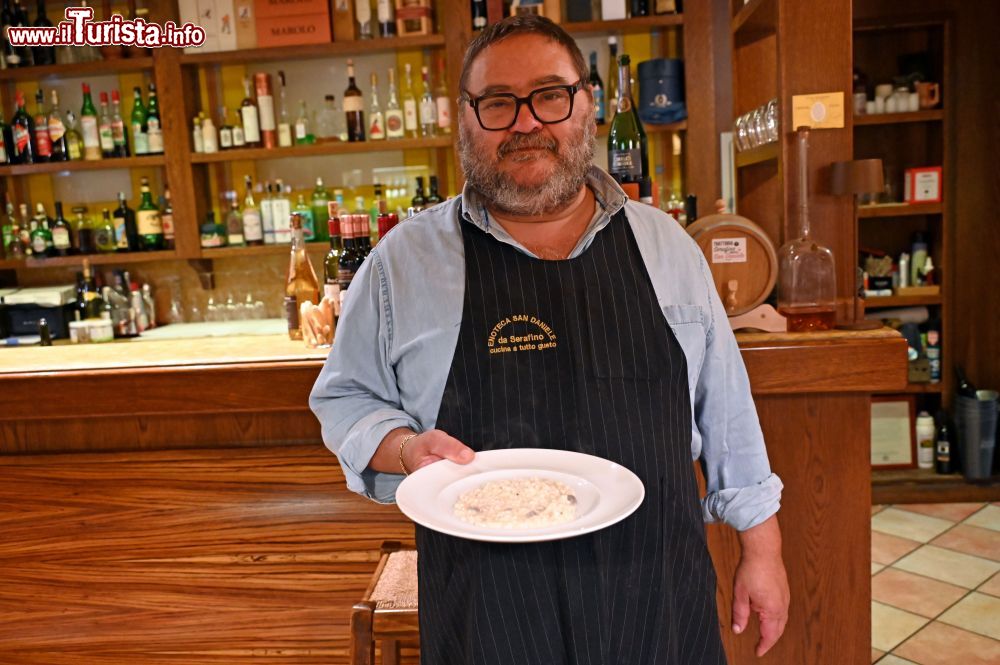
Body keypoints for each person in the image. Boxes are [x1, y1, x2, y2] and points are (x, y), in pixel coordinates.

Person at [309, 15, 788, 664]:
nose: (525, 122)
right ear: (464, 120)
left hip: (656, 604)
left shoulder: (666, 246)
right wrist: (404, 446)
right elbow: (347, 399)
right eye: (498, 102)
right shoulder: (402, 264)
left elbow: (726, 409)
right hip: (490, 616)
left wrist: (762, 548)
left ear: (586, 104)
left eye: (549, 95)